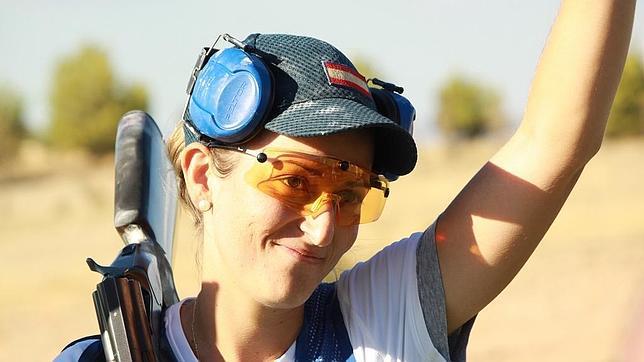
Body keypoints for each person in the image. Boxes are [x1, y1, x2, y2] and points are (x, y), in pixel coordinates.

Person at [56, 1, 637, 361]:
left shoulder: (388, 321)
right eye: (296, 180)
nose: (325, 224)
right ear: (204, 178)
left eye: (353, 194)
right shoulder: (105, 357)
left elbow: (556, 140)